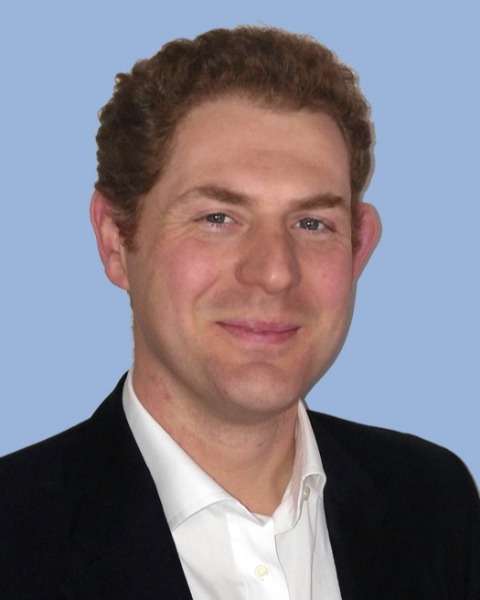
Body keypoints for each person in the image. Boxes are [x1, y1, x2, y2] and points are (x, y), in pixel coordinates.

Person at [0, 25, 478, 600]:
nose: (275, 271)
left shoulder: (435, 504)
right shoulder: (14, 537)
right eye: (218, 218)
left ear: (359, 248)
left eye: (312, 223)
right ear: (115, 241)